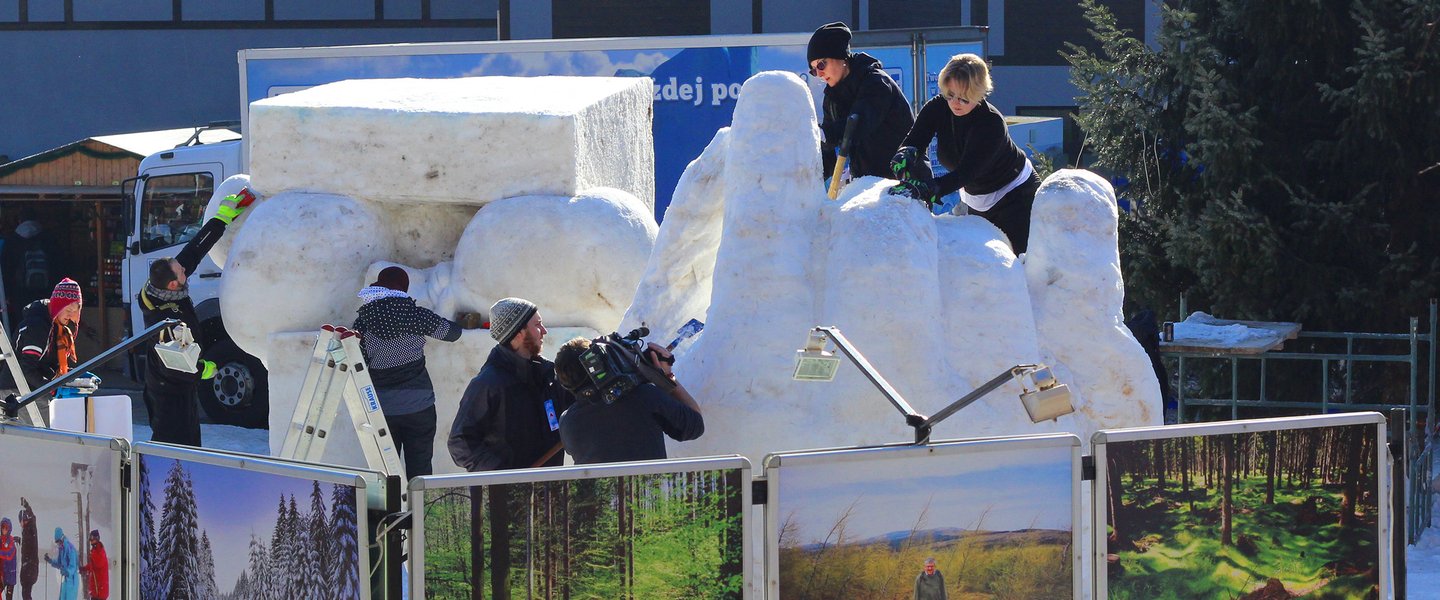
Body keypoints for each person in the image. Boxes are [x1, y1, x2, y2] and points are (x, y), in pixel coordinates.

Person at [893, 53, 1040, 254]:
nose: (955, 103)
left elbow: (966, 173)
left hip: (1014, 195)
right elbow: (916, 139)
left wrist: (930, 189)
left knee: (1019, 260)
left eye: (964, 98)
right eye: (950, 94)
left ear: (979, 94)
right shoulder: (938, 107)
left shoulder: (990, 123)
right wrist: (905, 154)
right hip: (977, 196)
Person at [138, 189, 253, 446]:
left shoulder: (167, 285)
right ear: (171, 285)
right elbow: (177, 364)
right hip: (168, 390)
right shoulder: (164, 321)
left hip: (178, 386)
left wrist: (222, 217)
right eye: (181, 272)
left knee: (189, 441)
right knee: (177, 443)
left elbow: (195, 250)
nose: (185, 271)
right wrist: (204, 370)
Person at [352, 266, 462, 478]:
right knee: (420, 471)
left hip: (382, 409)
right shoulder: (416, 316)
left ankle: (388, 511)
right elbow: (452, 334)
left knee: (385, 473)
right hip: (419, 406)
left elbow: (360, 361)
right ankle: (418, 508)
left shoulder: (363, 321)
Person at [448, 298, 573, 472]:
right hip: (505, 495)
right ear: (519, 333)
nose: (544, 331)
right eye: (537, 325)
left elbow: (577, 409)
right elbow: (460, 443)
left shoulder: (548, 375)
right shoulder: (489, 384)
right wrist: (505, 475)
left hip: (547, 490)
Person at [553, 337, 703, 464]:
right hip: (647, 496)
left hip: (597, 499)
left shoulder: (568, 422)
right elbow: (695, 426)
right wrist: (666, 376)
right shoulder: (644, 397)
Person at [808, 21, 914, 183]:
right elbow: (827, 151)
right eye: (814, 70)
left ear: (840, 55)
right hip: (868, 183)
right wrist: (807, 178)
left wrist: (821, 134)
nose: (820, 73)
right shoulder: (832, 98)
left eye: (821, 64)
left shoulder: (876, 82)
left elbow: (859, 122)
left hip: (904, 181)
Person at [1, 279, 83, 421]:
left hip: (31, 389)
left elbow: (44, 364)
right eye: (68, 310)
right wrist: (52, 388)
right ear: (58, 305)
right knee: (46, 433)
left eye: (75, 311)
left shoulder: (55, 327)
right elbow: (26, 369)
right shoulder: (37, 327)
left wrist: (65, 379)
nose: (71, 316)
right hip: (16, 390)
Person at [42, 528, 77, 600]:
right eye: (56, 542)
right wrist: (50, 560)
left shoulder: (70, 548)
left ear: (62, 538)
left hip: (72, 580)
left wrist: (67, 571)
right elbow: (59, 564)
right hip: (65, 579)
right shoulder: (61, 549)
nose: (58, 543)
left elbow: (73, 566)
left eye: (58, 541)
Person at [17, 502, 35, 600]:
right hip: (28, 568)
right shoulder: (26, 530)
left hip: (30, 568)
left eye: (21, 520)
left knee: (26, 594)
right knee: (26, 594)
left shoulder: (31, 528)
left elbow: (33, 518)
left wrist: (27, 506)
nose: (21, 523)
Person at [81, 531, 105, 600]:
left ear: (97, 539)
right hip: (96, 590)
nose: (91, 541)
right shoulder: (95, 551)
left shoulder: (99, 551)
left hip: (100, 591)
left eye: (92, 539)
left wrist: (92, 554)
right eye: (90, 539)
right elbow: (93, 566)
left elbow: (98, 564)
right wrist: (84, 568)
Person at [0, 518, 15, 600]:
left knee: (9, 598)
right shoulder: (0, 540)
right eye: (3, 527)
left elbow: (9, 554)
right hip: (2, 574)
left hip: (10, 575)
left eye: (6, 528)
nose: (4, 530)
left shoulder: (11, 541)